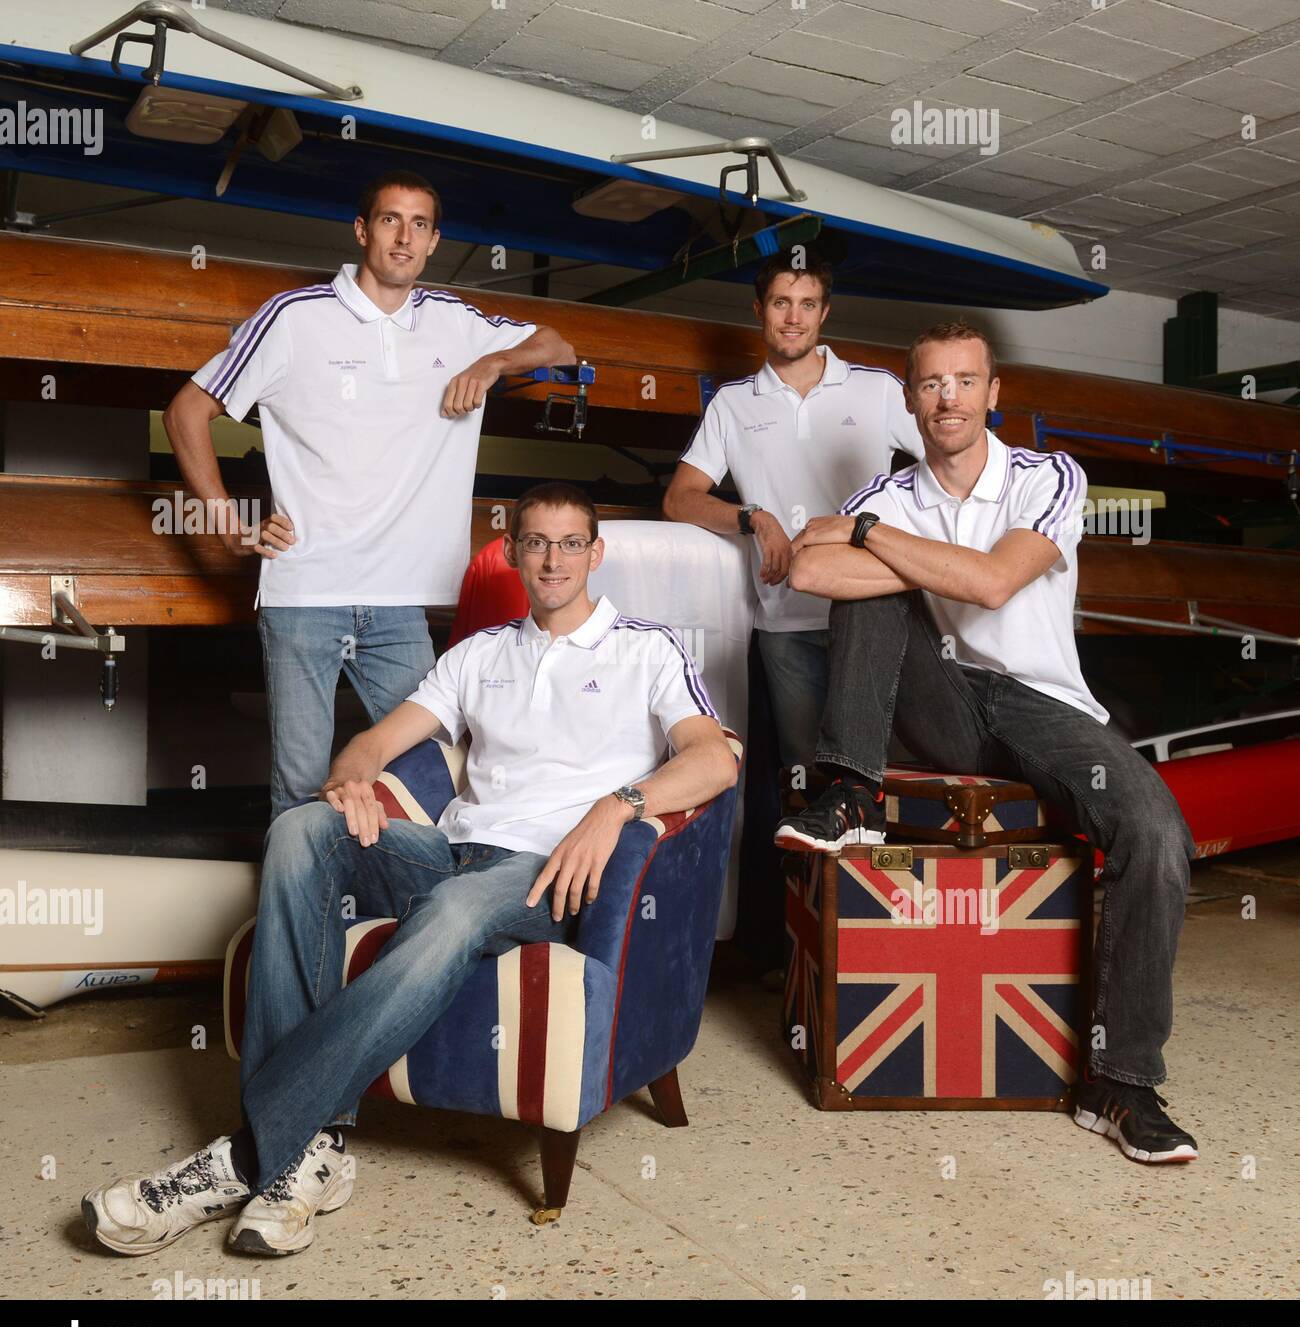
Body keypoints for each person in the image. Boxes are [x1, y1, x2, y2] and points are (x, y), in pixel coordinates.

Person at [82, 482, 737, 1256]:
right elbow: (375, 744)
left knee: (455, 909)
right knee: (301, 831)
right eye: (536, 542)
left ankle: (249, 1155)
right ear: (514, 552)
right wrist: (351, 780)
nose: (553, 559)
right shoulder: (479, 654)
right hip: (451, 848)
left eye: (570, 544)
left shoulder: (646, 647)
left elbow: (714, 759)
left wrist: (616, 805)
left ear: (595, 554)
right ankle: (309, 1155)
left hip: (542, 872)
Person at [777, 320, 1198, 1165]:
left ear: (993, 393)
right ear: (909, 399)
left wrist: (868, 539)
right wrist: (902, 557)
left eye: (965, 381)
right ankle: (850, 792)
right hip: (943, 701)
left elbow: (997, 580)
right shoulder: (894, 493)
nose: (948, 399)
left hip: (1044, 705)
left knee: (1157, 834)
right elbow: (804, 569)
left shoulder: (1046, 476)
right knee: (874, 598)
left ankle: (1118, 1082)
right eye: (931, 384)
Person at [164, 170, 576, 821]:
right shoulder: (293, 318)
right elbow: (186, 411)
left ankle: (390, 923)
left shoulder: (454, 323)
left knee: (425, 776)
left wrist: (491, 364)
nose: (403, 237)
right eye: (390, 220)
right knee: (301, 790)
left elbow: (558, 343)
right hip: (305, 593)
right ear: (363, 230)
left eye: (419, 224)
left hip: (397, 604)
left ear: (435, 240)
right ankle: (302, 926)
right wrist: (226, 520)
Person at [663, 246, 922, 770]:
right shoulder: (733, 403)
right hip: (784, 621)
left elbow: (948, 466)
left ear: (824, 313)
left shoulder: (879, 389)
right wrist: (753, 516)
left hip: (872, 611)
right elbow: (679, 499)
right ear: (759, 310)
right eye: (782, 302)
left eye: (807, 304)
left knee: (890, 773)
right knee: (804, 777)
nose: (794, 317)